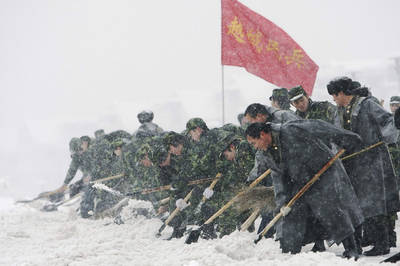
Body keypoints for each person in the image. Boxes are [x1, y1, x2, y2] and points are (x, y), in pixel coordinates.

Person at [245, 121, 364, 259]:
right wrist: (283, 203)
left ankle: (352, 248)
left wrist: (348, 138)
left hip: (323, 172)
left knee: (331, 210)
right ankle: (292, 249)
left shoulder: (291, 130)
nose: (255, 147)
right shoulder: (266, 154)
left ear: (263, 134)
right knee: (294, 212)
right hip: (299, 180)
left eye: (254, 143)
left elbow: (321, 127)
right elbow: (278, 178)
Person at [327, 76, 400, 256]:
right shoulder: (339, 111)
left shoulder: (367, 105)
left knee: (375, 204)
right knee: (363, 205)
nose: (334, 100)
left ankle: (383, 244)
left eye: (335, 96)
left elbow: (387, 122)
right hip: (353, 164)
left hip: (373, 161)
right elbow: (338, 134)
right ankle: (376, 240)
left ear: (342, 93)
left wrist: (387, 136)